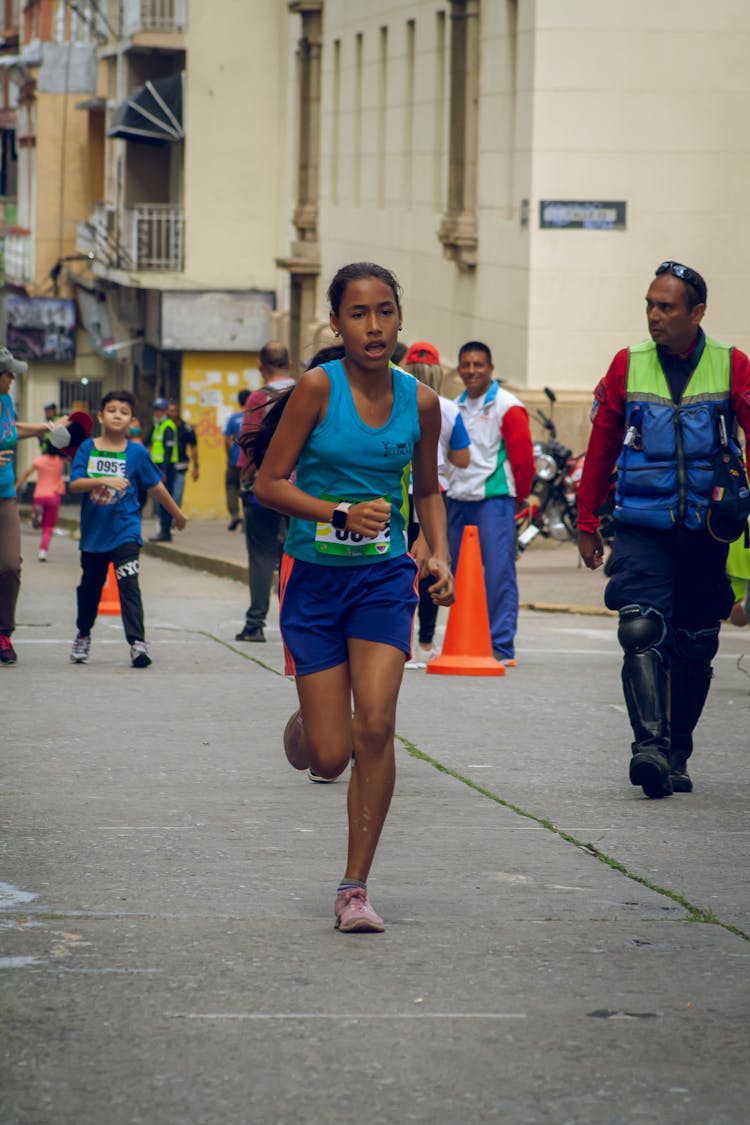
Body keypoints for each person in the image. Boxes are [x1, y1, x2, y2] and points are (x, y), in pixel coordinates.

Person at [253, 261, 454, 933]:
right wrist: (337, 513)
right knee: (331, 753)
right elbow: (269, 484)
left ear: (400, 318)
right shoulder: (316, 388)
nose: (375, 326)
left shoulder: (419, 400)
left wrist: (437, 552)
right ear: (336, 323)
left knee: (375, 725)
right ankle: (307, 728)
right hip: (314, 579)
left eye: (386, 312)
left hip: (381, 580)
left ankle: (354, 888)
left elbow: (427, 487)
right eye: (360, 314)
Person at [577, 261, 750, 798]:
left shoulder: (733, 364)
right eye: (650, 305)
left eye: (667, 307)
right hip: (642, 527)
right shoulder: (628, 364)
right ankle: (648, 749)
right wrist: (586, 520)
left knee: (697, 643)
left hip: (708, 531)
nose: (654, 315)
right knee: (641, 630)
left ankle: (677, 751)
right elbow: (603, 442)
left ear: (697, 313)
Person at [68, 390, 187, 668]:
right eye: (111, 410)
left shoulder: (136, 452)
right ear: (100, 416)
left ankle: (137, 644)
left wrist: (177, 514)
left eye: (123, 411)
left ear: (131, 420)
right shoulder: (88, 448)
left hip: (126, 531)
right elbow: (74, 484)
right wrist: (106, 480)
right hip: (94, 535)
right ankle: (83, 634)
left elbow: (155, 485)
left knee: (129, 586)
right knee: (90, 589)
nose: (117, 415)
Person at [444, 341, 535, 665]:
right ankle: (467, 638)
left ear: (491, 369)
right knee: (455, 573)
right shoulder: (453, 406)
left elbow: (523, 457)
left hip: (493, 499)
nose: (471, 371)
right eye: (465, 364)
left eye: (478, 365)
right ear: (458, 369)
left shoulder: (507, 405)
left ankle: (501, 645)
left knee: (498, 574)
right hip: (457, 499)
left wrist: (519, 497)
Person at [401, 340, 471, 662]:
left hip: (402, 493)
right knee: (433, 567)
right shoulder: (450, 408)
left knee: (401, 566)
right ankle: (426, 644)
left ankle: (400, 640)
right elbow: (463, 458)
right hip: (435, 494)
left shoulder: (397, 401)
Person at [1, 347, 71, 664]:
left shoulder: (5, 402)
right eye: (9, 373)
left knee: (10, 566)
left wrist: (47, 426)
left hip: (5, 496)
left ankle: (3, 633)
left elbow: (12, 432)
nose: (13, 378)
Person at [234, 343, 295, 643]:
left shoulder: (259, 398)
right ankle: (293, 622)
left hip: (266, 487)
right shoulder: (306, 390)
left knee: (260, 554)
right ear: (289, 362)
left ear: (261, 365)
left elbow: (249, 444)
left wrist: (245, 475)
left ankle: (255, 624)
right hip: (301, 490)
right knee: (293, 554)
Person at [15, 447, 67, 560]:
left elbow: (26, 474)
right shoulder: (60, 461)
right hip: (54, 496)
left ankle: (35, 519)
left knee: (38, 521)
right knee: (48, 526)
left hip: (39, 496)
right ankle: (43, 551)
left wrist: (15, 488)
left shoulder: (39, 460)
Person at [147, 396, 178, 542]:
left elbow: (168, 450)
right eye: (155, 410)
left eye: (160, 410)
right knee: (160, 500)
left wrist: (164, 471)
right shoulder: (158, 426)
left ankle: (165, 532)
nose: (157, 412)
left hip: (166, 468)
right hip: (158, 466)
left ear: (165, 411)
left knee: (164, 500)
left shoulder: (168, 426)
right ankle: (164, 531)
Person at [224, 389, 250, 531]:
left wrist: (229, 456)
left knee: (231, 487)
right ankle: (247, 519)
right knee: (247, 488)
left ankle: (234, 515)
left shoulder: (233, 418)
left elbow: (226, 440)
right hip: (249, 461)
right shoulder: (253, 417)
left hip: (234, 460)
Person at [167, 399, 199, 509]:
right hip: (165, 467)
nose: (172, 414)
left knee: (177, 496)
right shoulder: (162, 427)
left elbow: (194, 447)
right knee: (164, 496)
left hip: (181, 466)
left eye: (174, 411)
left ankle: (175, 519)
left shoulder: (186, 428)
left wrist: (196, 467)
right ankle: (163, 520)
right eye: (170, 411)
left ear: (178, 412)